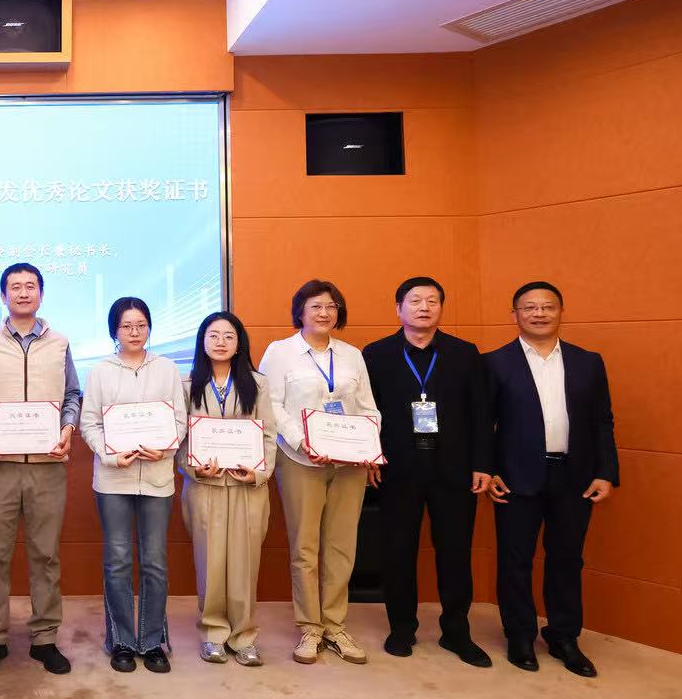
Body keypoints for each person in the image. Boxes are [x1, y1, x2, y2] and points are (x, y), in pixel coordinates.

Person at [486, 282, 619, 677]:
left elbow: (602, 421)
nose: (539, 313)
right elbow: (482, 425)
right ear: (515, 314)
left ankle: (563, 636)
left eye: (548, 306)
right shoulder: (493, 363)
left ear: (561, 312)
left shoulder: (588, 362)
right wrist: (490, 469)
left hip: (575, 476)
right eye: (529, 307)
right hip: (515, 477)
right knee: (515, 560)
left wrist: (606, 472)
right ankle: (520, 635)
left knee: (567, 559)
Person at [361, 277, 494, 668]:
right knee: (397, 551)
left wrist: (483, 464)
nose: (424, 307)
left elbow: (482, 414)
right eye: (415, 300)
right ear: (399, 308)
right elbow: (366, 411)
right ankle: (402, 628)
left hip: (454, 468)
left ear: (441, 308)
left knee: (455, 552)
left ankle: (456, 631)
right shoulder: (377, 354)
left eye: (432, 301)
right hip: (396, 467)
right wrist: (371, 457)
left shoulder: (464, 353)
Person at [0, 262, 84, 675]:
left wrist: (68, 427)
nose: (22, 292)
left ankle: (45, 638)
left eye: (30, 286)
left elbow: (73, 393)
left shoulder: (60, 343)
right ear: (3, 296)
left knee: (46, 555)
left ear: (41, 294)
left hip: (48, 465)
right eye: (14, 287)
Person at [258, 279, 381, 666]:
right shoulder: (280, 352)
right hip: (301, 462)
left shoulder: (351, 355)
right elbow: (271, 405)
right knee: (305, 547)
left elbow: (368, 407)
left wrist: (368, 447)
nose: (324, 312)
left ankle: (335, 624)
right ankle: (310, 627)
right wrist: (301, 442)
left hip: (349, 465)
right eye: (315, 306)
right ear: (300, 312)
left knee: (342, 546)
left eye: (331, 306)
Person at [79, 298, 188, 673]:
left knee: (155, 562)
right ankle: (122, 641)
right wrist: (110, 455)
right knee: (118, 561)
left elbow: (179, 420)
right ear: (115, 331)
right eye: (127, 326)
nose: (135, 332)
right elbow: (90, 424)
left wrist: (165, 447)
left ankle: (153, 641)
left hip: (157, 478)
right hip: (113, 479)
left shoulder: (167, 368)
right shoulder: (100, 372)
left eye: (141, 325)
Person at [180, 311, 276, 667]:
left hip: (247, 486)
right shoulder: (186, 384)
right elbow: (179, 437)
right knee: (209, 561)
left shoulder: (258, 384)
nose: (221, 342)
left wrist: (259, 472)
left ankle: (244, 636)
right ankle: (213, 633)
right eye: (213, 335)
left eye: (229, 336)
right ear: (202, 341)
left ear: (239, 344)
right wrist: (193, 467)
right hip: (204, 486)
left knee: (245, 562)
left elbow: (269, 434)